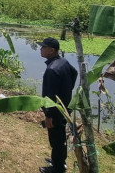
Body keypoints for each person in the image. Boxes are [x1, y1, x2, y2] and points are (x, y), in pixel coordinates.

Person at [38, 37, 77, 173]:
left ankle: (58, 168)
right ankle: (59, 160)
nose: (40, 49)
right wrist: (67, 90)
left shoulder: (51, 70)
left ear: (51, 51)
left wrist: (48, 116)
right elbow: (75, 73)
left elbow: (48, 96)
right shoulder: (63, 62)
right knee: (60, 137)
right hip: (65, 107)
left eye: (43, 47)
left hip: (55, 111)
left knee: (56, 140)